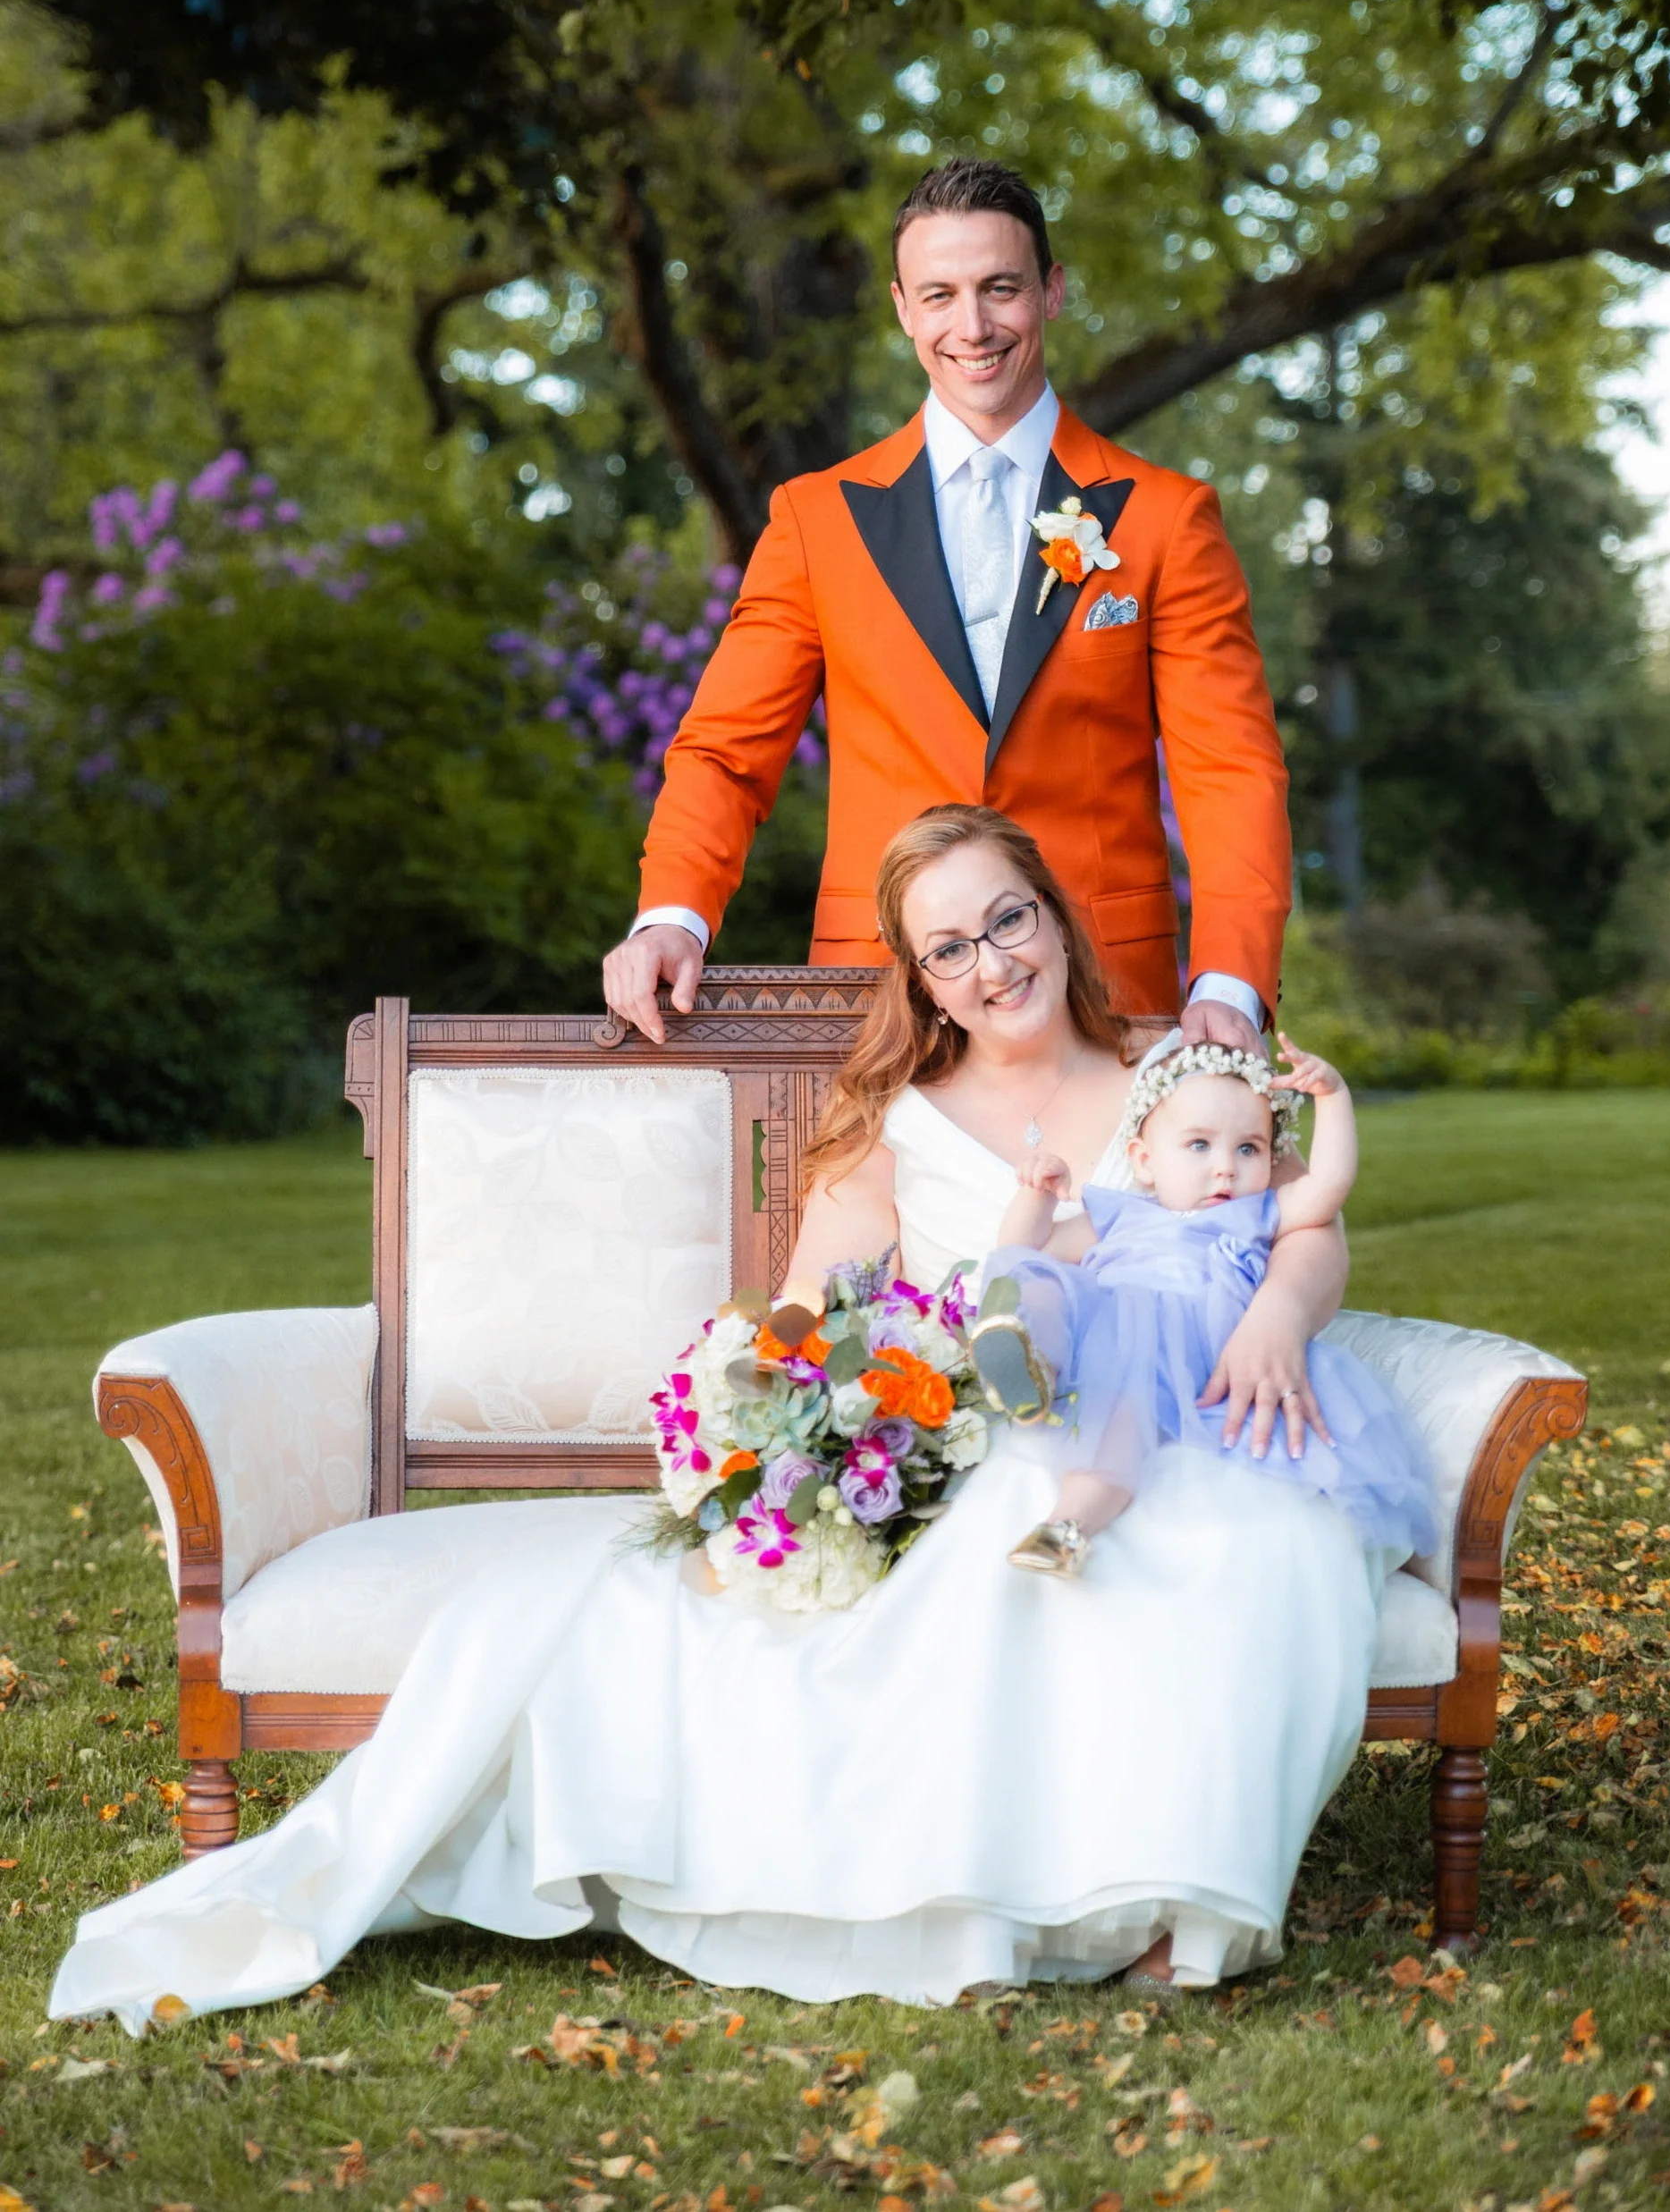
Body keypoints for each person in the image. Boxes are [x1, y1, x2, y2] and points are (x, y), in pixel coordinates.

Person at [51, 807, 1381, 2027]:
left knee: (1254, 1546)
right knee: (1010, 1525)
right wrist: (784, 1433)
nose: (989, 962)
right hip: (997, 1428)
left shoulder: (1170, 1084)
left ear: (1055, 914)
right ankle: (993, 1888)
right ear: (919, 981)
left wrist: (1280, 1314)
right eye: (947, 947)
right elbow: (805, 1316)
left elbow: (1289, 1231)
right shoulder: (895, 1132)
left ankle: (1172, 1903)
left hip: (1189, 1420)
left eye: (1007, 918)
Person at [602, 153, 1293, 1068]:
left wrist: (1229, 981)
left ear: (1051, 291)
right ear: (901, 307)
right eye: (939, 295)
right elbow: (726, 751)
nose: (971, 326)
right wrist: (671, 916)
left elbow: (1230, 771)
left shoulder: (1166, 519)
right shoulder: (816, 519)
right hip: (878, 995)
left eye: (999, 288)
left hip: (1105, 998)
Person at [971, 1036, 1438, 1579]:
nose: (1226, 1169)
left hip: (1189, 1354)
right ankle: (1029, 1362)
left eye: (1249, 1149)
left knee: (1122, 1419)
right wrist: (1038, 1197)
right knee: (1043, 1287)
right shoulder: (1119, 1215)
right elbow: (1024, 1254)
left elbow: (1329, 1186)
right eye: (1199, 1145)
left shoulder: (1256, 1215)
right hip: (1107, 1337)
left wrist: (1331, 1096)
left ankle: (1068, 1528)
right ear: (1143, 1161)